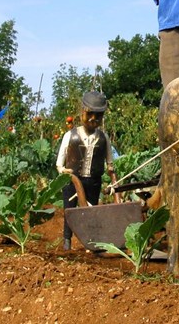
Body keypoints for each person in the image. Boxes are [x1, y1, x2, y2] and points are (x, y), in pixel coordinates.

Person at [55, 91, 116, 250]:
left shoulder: (104, 138)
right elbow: (59, 162)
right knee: (69, 210)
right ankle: (67, 240)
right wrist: (63, 171)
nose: (93, 119)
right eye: (89, 114)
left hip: (93, 181)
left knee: (91, 211)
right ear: (82, 112)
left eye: (98, 116)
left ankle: (91, 242)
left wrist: (113, 179)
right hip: (72, 181)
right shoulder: (70, 135)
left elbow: (110, 163)